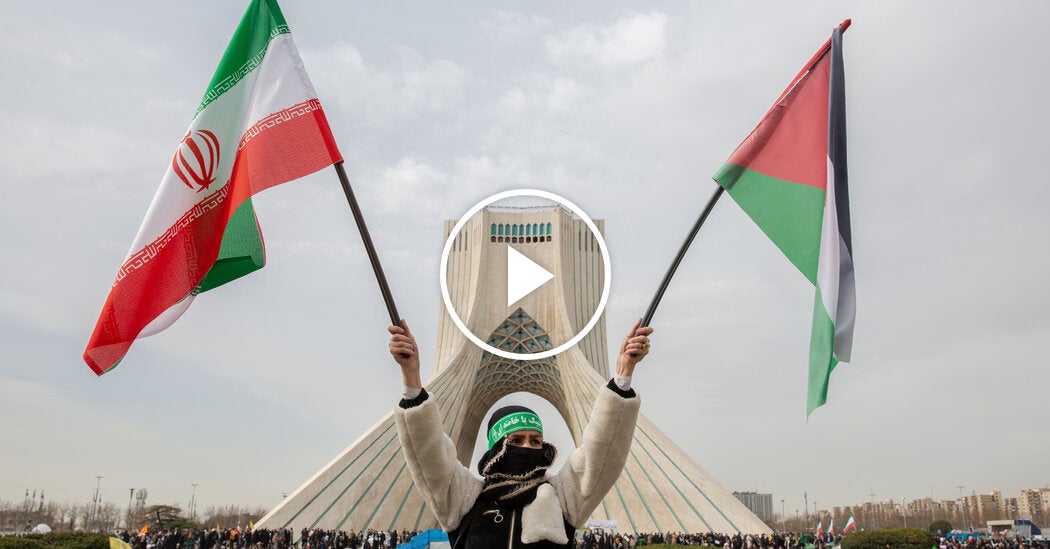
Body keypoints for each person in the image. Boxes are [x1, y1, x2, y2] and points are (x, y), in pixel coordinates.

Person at [388, 318, 654, 549]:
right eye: (515, 440)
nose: (527, 447)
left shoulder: (559, 498)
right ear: (496, 448)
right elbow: (430, 456)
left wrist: (623, 376)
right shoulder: (466, 499)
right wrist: (411, 377)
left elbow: (600, 455)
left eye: (535, 441)